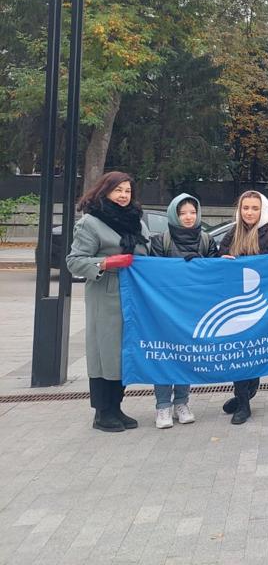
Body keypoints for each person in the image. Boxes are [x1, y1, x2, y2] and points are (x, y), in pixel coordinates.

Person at [66, 171, 151, 433]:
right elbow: (74, 261)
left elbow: (149, 253)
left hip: (132, 294)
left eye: (128, 191)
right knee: (105, 353)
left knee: (124, 353)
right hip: (106, 293)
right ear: (105, 191)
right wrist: (106, 262)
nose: (124, 196)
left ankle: (116, 406)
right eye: (118, 190)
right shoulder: (91, 222)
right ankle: (103, 412)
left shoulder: (136, 222)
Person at [149, 193, 218, 428]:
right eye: (182, 213)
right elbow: (154, 274)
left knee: (186, 355)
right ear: (173, 215)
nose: (188, 217)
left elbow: (214, 273)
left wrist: (202, 263)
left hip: (193, 309)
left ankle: (181, 402)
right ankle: (162, 406)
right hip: (165, 310)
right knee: (164, 355)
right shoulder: (162, 241)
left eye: (192, 212)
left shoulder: (206, 240)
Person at [218, 190, 268, 425]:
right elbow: (217, 260)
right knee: (239, 355)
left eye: (254, 208)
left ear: (262, 210)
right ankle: (243, 404)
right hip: (235, 307)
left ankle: (246, 392)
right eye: (245, 208)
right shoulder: (232, 233)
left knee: (255, 356)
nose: (249, 212)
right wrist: (221, 260)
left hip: (260, 306)